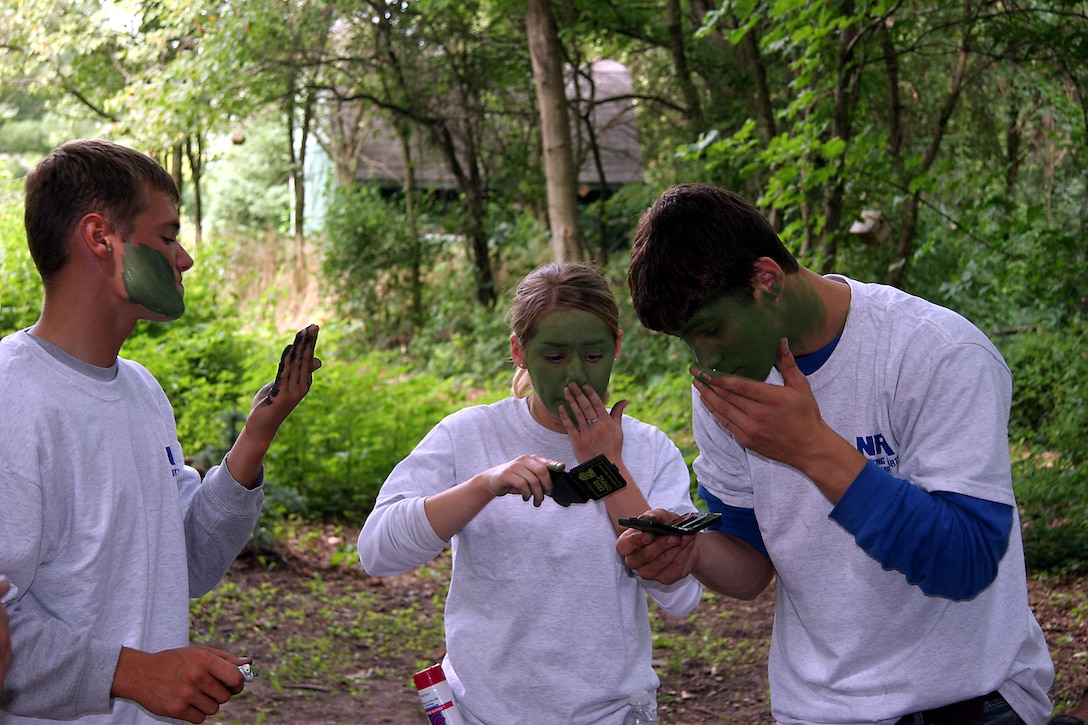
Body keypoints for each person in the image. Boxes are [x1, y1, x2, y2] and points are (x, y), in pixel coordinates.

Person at [616, 183, 1054, 725]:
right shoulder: (729, 389)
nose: (704, 359)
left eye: (710, 330)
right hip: (820, 709)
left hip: (971, 703)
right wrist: (691, 552)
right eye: (687, 341)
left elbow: (965, 562)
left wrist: (812, 448)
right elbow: (750, 566)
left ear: (766, 279)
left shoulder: (936, 353)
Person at [0, 139, 321, 724]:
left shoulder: (142, 391)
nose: (184, 259)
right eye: (168, 236)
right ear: (101, 238)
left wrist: (257, 435)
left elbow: (192, 561)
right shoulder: (12, 399)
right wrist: (134, 673)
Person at [357, 262, 703, 725]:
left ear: (618, 346)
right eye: (555, 357)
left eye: (594, 356)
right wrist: (483, 485)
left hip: (612, 714)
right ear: (520, 352)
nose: (576, 377)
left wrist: (609, 466)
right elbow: (377, 552)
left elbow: (681, 598)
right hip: (482, 712)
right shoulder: (470, 435)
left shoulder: (648, 449)